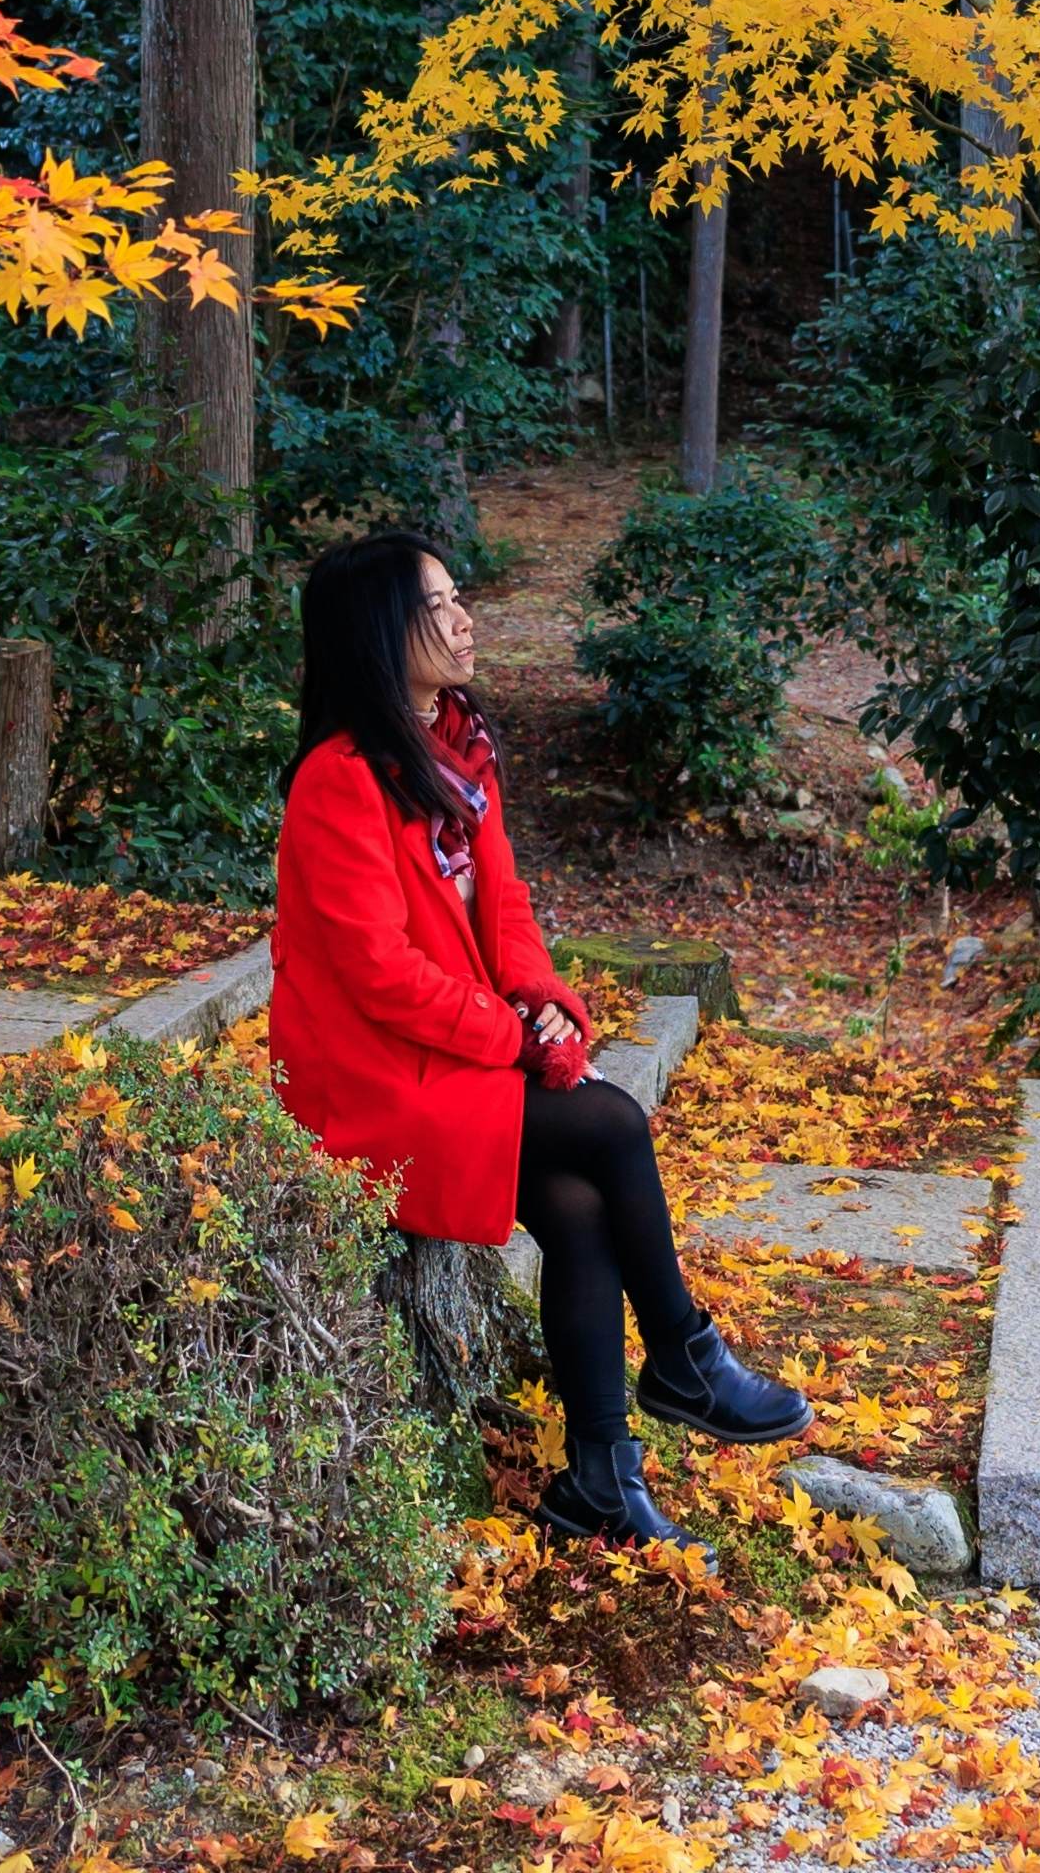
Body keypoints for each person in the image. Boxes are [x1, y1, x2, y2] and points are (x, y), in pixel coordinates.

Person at [267, 528, 807, 1545]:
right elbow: (378, 974)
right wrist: (516, 1039)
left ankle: (601, 1477)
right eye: (438, 607)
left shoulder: (458, 752)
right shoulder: (338, 780)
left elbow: (505, 903)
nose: (465, 622)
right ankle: (684, 1354)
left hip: (443, 1053)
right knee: (607, 1126)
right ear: (383, 633)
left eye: (460, 598)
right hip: (371, 1078)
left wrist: (544, 1002)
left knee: (577, 1207)